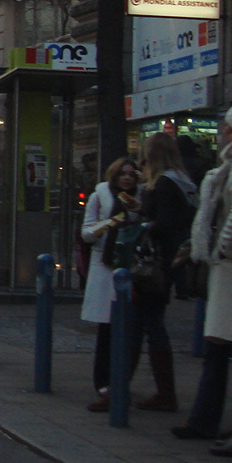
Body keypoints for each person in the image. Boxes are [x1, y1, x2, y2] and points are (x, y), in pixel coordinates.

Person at [174, 102, 232, 456]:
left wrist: (221, 248)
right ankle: (204, 420)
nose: (223, 132)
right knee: (218, 348)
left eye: (228, 127)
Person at [125, 132, 197, 411]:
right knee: (146, 323)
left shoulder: (164, 183)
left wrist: (142, 224)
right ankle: (151, 391)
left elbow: (163, 223)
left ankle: (155, 393)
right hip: (170, 260)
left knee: (145, 325)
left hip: (154, 264)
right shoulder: (183, 181)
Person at [80, 156, 139, 412]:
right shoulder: (100, 196)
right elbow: (86, 233)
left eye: (131, 174)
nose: (127, 178)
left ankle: (120, 382)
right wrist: (111, 222)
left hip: (131, 267)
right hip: (104, 265)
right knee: (107, 328)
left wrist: (136, 213)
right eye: (123, 174)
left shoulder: (140, 198)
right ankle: (103, 382)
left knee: (129, 330)